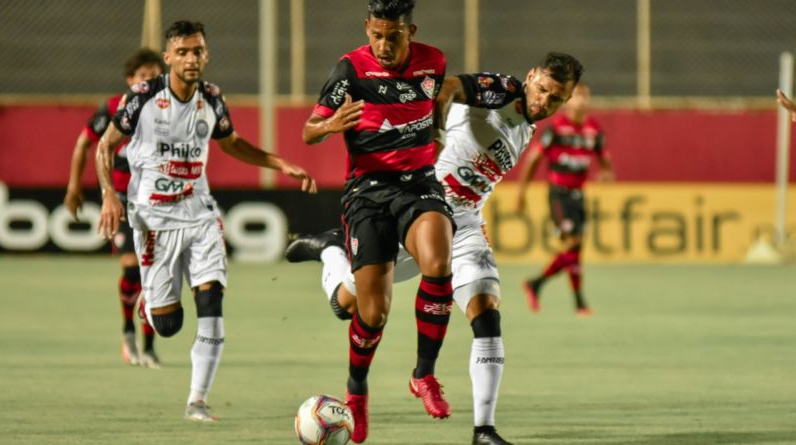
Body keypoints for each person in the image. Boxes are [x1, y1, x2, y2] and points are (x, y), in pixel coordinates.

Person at [288, 52, 584, 445]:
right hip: (416, 206)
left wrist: (475, 211)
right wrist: (438, 134)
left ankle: (484, 430)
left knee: (487, 312)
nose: (544, 101)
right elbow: (444, 89)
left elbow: (478, 169)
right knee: (350, 306)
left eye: (555, 98)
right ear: (530, 77)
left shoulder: (528, 125)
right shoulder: (503, 91)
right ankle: (330, 249)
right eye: (543, 89)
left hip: (463, 226)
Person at [95, 20, 317, 422]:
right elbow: (104, 146)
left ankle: (197, 400)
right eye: (182, 51)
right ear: (168, 58)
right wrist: (109, 194)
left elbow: (232, 144)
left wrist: (278, 162)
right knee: (167, 325)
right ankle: (153, 301)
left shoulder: (212, 99)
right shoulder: (142, 97)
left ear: (206, 54)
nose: (191, 58)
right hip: (153, 219)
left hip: (199, 213)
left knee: (211, 298)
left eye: (197, 51)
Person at [301, 1, 455, 442]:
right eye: (377, 35)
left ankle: (423, 375)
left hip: (419, 184)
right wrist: (330, 125)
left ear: (411, 31)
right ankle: (357, 394)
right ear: (367, 28)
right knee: (372, 314)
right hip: (368, 191)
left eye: (394, 36)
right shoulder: (349, 70)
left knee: (439, 263)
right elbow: (308, 130)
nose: (384, 45)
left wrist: (438, 136)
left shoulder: (434, 61)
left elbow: (435, 103)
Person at [64, 48, 165, 368]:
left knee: (157, 275)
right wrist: (74, 185)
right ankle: (127, 333)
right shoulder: (113, 108)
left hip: (159, 201)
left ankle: (149, 346)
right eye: (142, 76)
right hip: (122, 200)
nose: (148, 81)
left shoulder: (168, 108)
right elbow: (84, 143)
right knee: (132, 266)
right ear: (130, 80)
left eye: (153, 75)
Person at [516, 82, 614, 316]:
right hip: (559, 194)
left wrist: (606, 172)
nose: (581, 101)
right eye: (577, 96)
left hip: (579, 195)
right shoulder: (557, 128)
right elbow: (533, 160)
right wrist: (521, 193)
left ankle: (572, 299)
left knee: (576, 250)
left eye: (585, 96)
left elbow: (604, 160)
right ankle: (540, 285)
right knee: (572, 243)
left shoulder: (593, 129)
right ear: (568, 101)